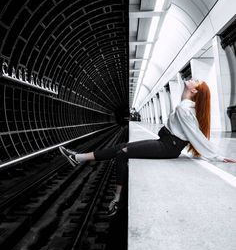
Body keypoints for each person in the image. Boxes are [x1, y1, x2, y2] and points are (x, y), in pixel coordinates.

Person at [59, 79, 236, 216]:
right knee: (122, 146)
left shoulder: (184, 108)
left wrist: (216, 156)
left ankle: (117, 199)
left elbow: (195, 135)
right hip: (166, 143)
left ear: (194, 90)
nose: (192, 79)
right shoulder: (185, 105)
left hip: (168, 147)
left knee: (122, 153)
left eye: (195, 81)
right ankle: (78, 158)